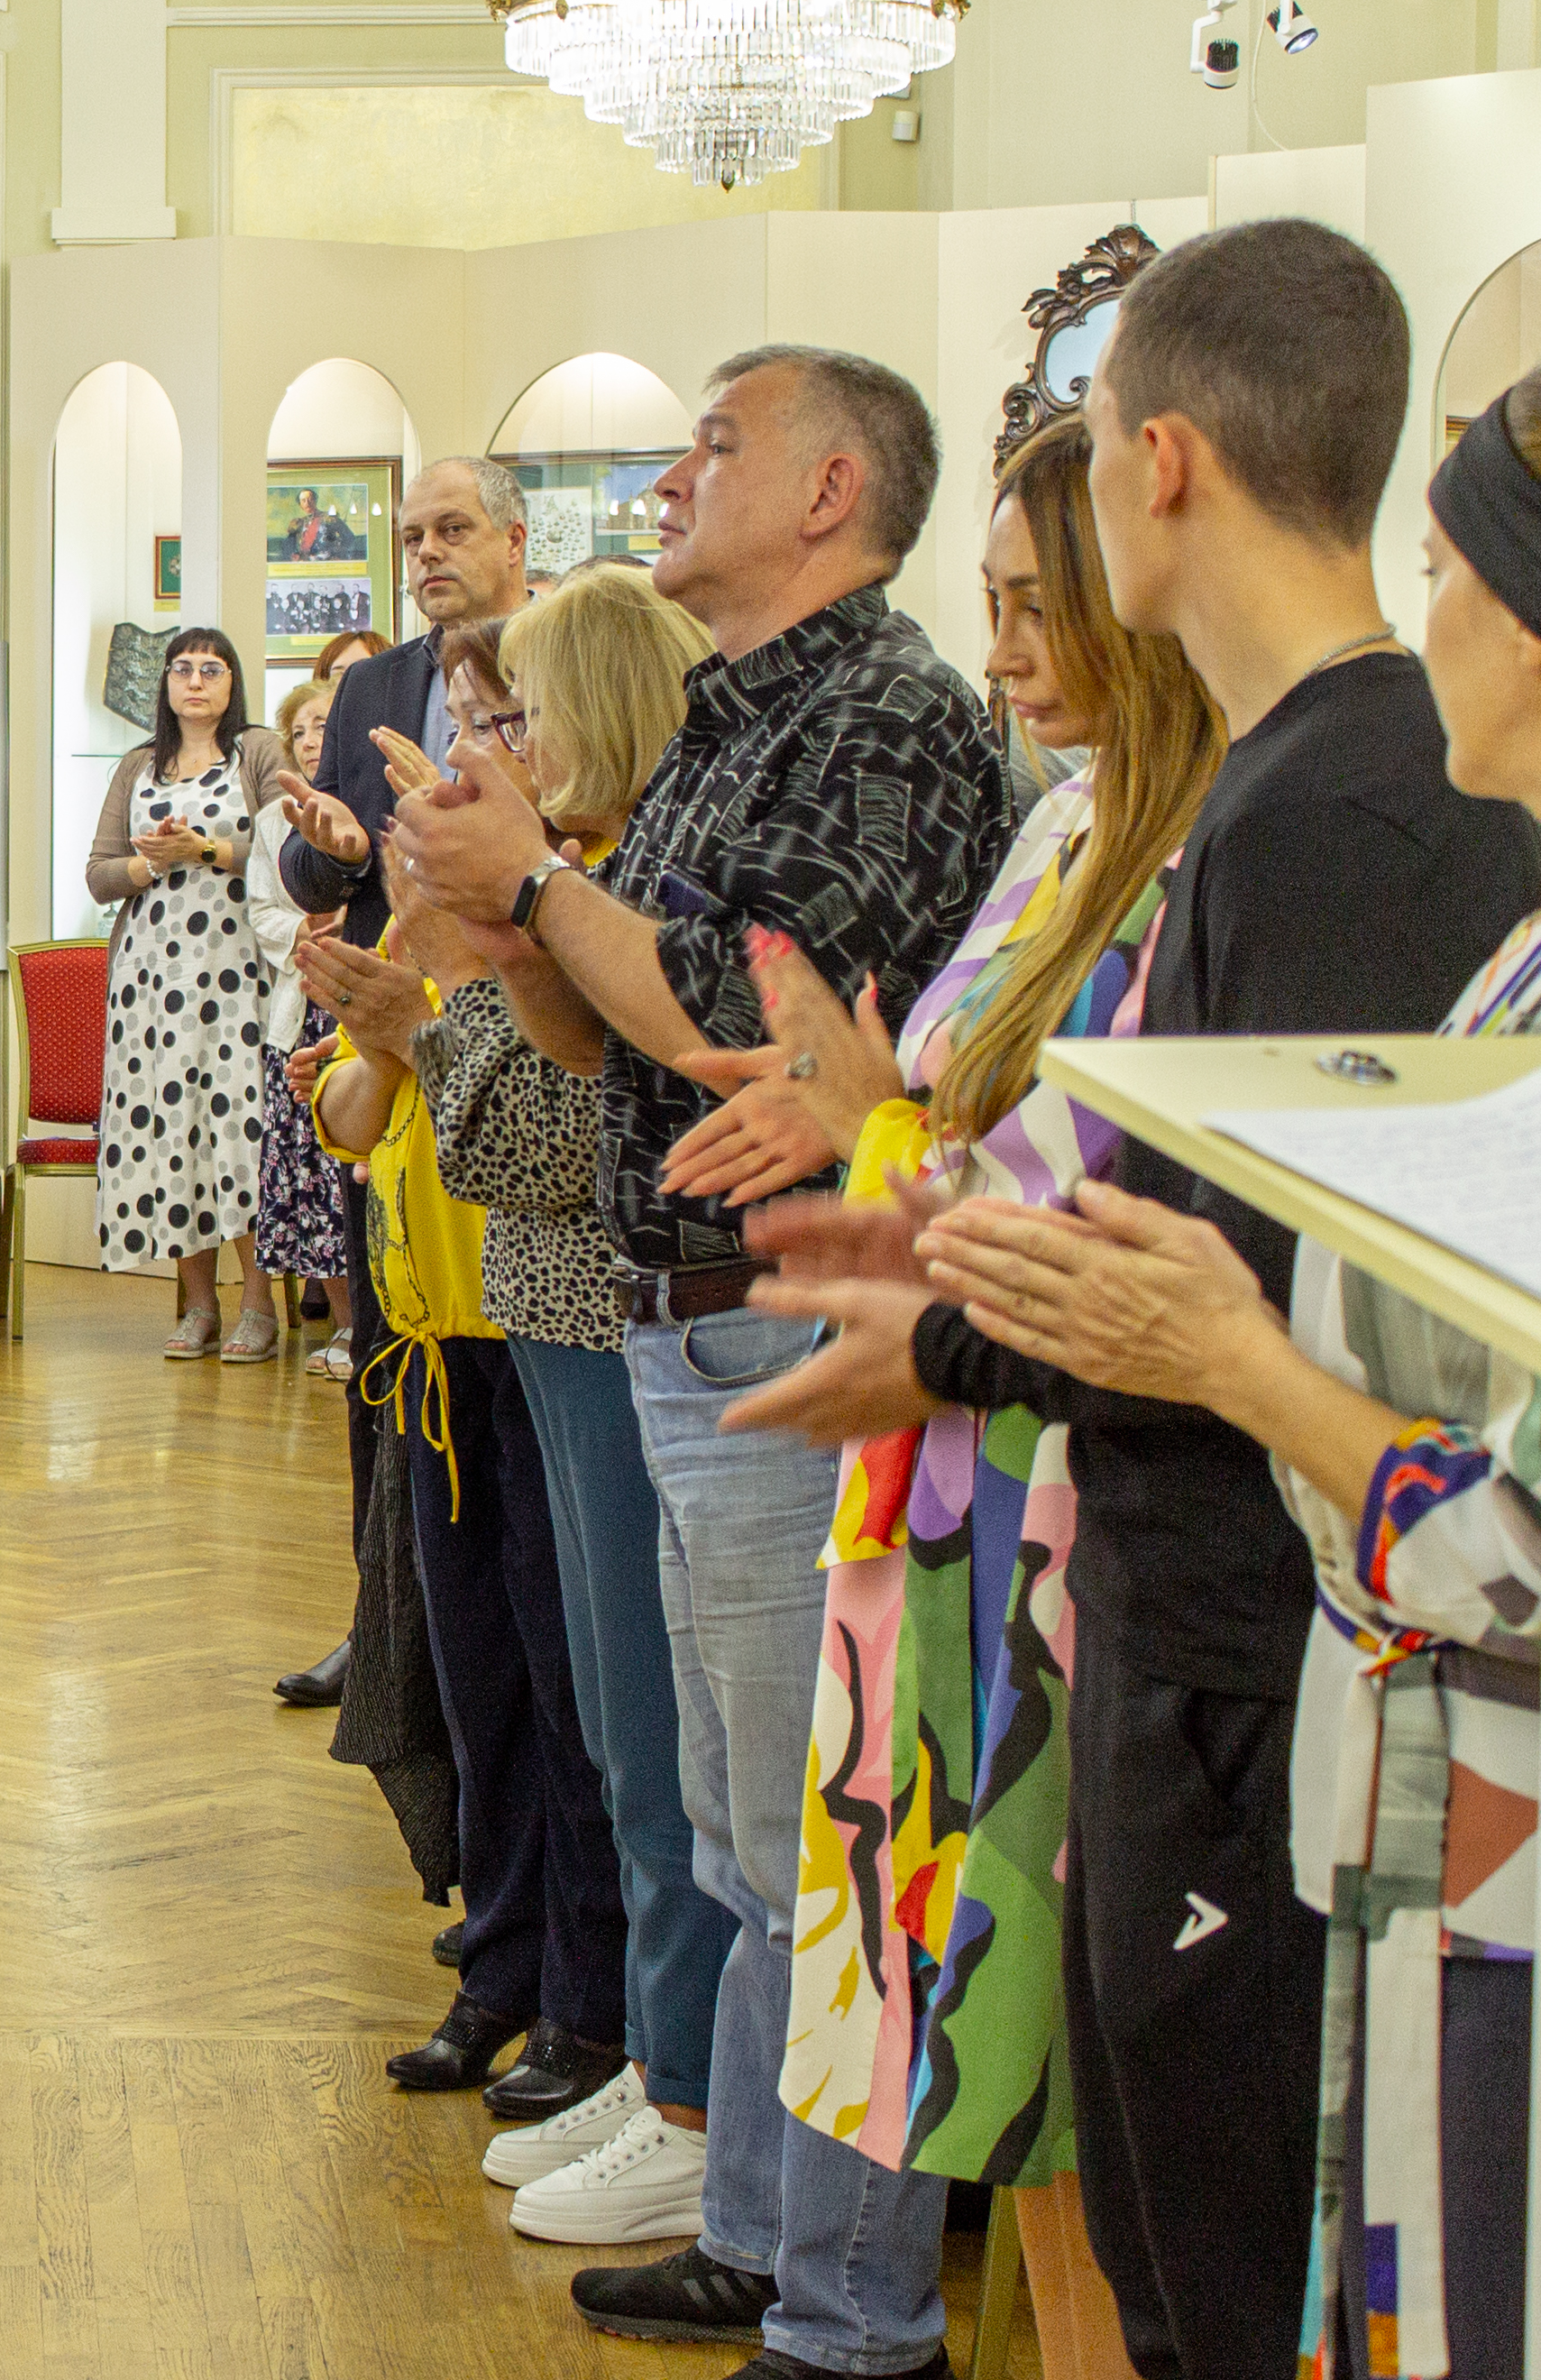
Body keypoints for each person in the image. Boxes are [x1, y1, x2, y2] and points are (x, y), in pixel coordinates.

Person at [724, 226, 1541, 2380]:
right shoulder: (1300, 788)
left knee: (1224, 2260)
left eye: (1079, 463)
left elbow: (1248, 1290)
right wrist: (947, 1250)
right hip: (1213, 1630)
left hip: (1270, 1649)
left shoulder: (1340, 802)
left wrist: (957, 1322)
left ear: (1153, 463)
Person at [396, 348, 1011, 2380]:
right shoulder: (726, 717)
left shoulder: (891, 716)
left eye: (716, 442)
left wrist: (547, 896)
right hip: (680, 1309)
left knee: (808, 1837)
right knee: (745, 1828)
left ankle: (845, 2306)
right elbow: (619, 1034)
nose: (671, 474)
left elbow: (752, 1024)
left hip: (787, 1311)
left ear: (830, 487)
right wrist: (504, 927)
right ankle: (756, 2221)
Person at [648, 422, 1206, 2373]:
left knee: (1042, 2026)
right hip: (944, 1446)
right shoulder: (1063, 828)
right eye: (990, 610)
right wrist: (864, 1113)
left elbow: (1077, 1175)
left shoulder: (1183, 842)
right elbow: (956, 1116)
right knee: (979, 2033)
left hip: (1044, 1465)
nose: (1006, 654)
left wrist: (882, 1120)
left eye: (1035, 606)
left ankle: (865, 2306)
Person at [418, 567, 734, 2249]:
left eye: (519, 712)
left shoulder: (617, 892)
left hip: (618, 1316)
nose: (501, 741)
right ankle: (658, 2058)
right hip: (558, 1318)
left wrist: (448, 994)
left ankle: (677, 2075)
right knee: (618, 1725)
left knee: (660, 1737)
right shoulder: (577, 891)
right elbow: (480, 1111)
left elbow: (534, 1134)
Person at [307, 749, 633, 2144]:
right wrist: (382, 1033)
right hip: (427, 1345)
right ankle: (496, 1964)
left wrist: (419, 1016)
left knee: (569, 1700)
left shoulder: (559, 918)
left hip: (530, 1332)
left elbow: (540, 1114)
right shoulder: (406, 931)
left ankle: (580, 1993)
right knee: (475, 1685)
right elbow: (345, 1116)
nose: (409, 826)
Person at [273, 467, 537, 1705]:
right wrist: (324, 847)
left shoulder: (553, 659)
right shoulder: (376, 683)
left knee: (499, 1404)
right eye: (412, 534)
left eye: (452, 530)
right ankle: (383, 1618)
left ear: (513, 542)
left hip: (513, 1023)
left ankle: (475, 1635)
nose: (426, 550)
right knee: (389, 1354)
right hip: (386, 1047)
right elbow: (306, 852)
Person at [86, 628, 289, 1359]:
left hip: (235, 971)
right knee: (172, 1135)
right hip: (151, 979)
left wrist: (201, 851)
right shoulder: (139, 765)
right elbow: (98, 872)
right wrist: (148, 866)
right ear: (165, 684)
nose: (196, 681)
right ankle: (199, 1307)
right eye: (182, 669)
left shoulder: (258, 752)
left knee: (241, 1130)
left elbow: (286, 852)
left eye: (212, 669)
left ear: (233, 683)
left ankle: (260, 1306)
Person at [250, 676, 353, 1379]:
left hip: (360, 999)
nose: (314, 740)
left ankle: (375, 1325)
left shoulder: (374, 807)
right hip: (298, 1003)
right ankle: (346, 1326)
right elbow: (260, 912)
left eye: (325, 726)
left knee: (356, 1173)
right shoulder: (269, 824)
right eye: (302, 731)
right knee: (312, 1177)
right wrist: (308, 927)